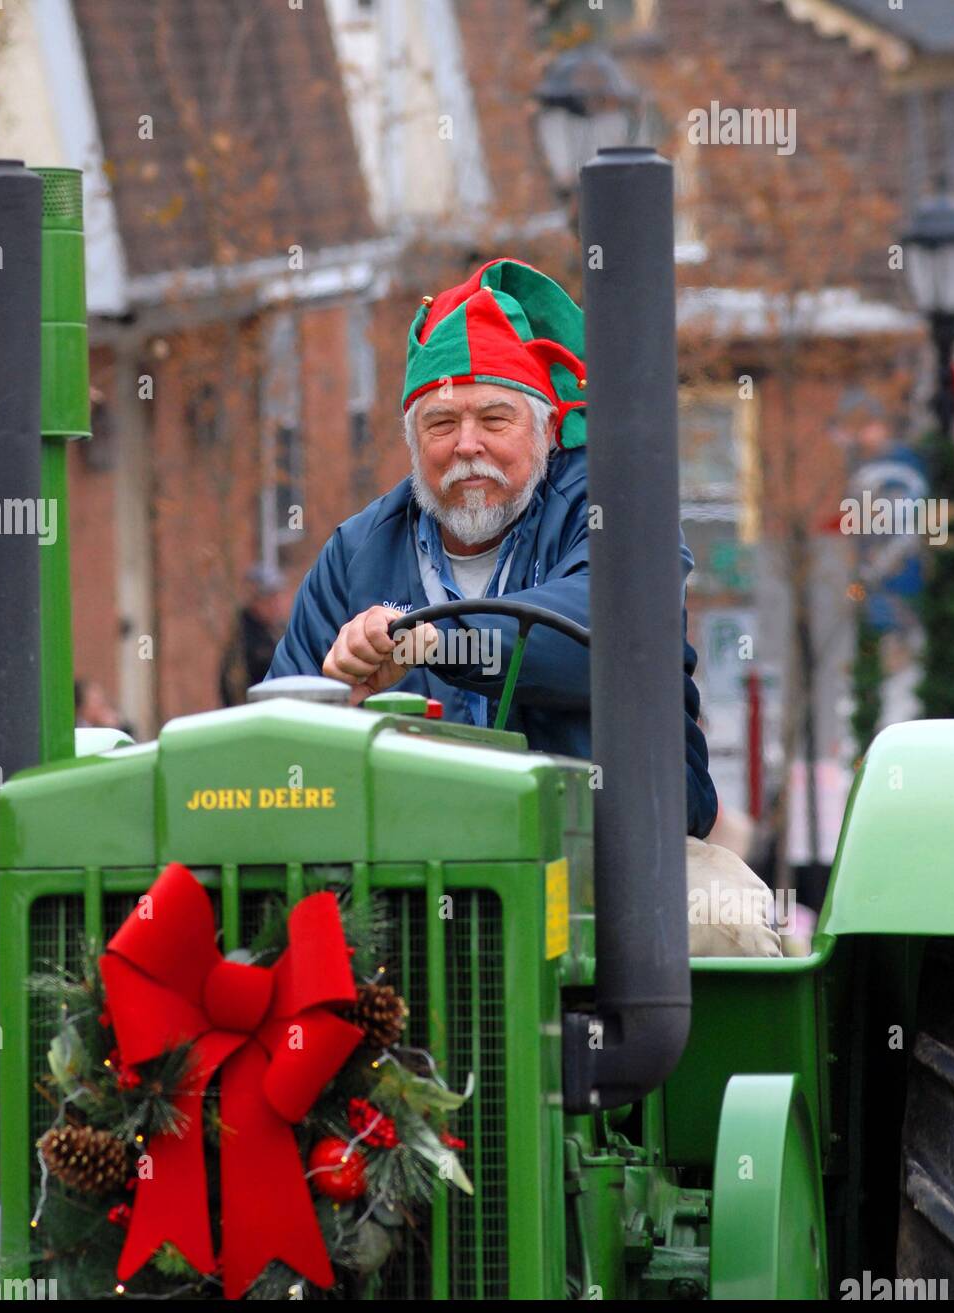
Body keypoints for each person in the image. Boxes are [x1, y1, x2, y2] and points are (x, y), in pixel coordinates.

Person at [266, 257, 779, 956]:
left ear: (545, 429)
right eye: (440, 421)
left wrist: (423, 640)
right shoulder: (356, 552)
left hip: (615, 863)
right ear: (412, 442)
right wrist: (341, 699)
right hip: (396, 874)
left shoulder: (616, 506)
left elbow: (607, 635)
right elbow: (278, 744)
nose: (466, 444)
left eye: (494, 417)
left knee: (723, 927)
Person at [219, 562, 287, 707]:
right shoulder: (244, 640)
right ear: (256, 601)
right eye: (270, 599)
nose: (276, 605)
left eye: (277, 598)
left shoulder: (276, 631)